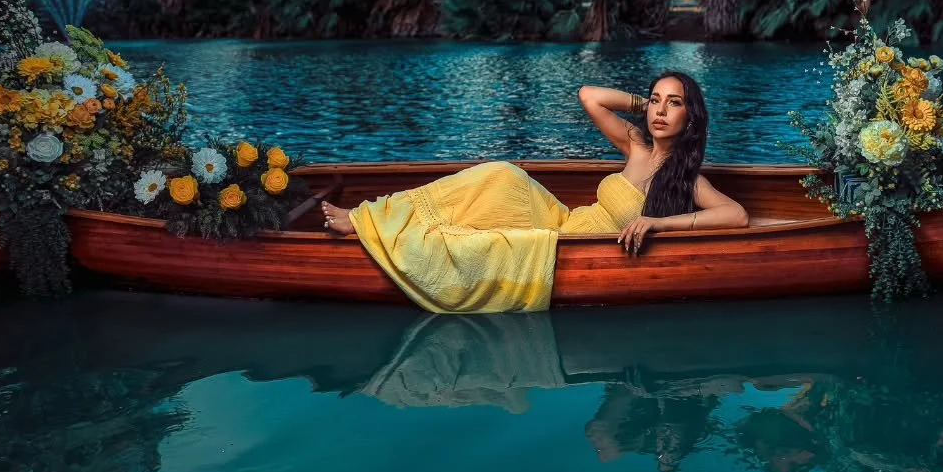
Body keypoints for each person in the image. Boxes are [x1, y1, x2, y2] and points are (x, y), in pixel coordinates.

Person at [318, 72, 749, 313]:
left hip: (568, 242)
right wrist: (642, 101)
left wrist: (657, 221)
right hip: (561, 218)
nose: (659, 110)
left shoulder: (687, 179)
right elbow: (589, 95)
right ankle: (368, 217)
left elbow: (735, 216)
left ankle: (372, 225)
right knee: (501, 174)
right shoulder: (634, 144)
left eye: (674, 103)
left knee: (477, 237)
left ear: (690, 116)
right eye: (656, 100)